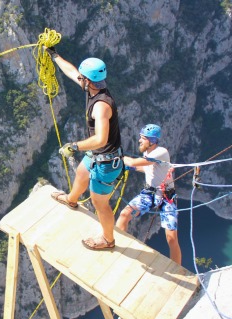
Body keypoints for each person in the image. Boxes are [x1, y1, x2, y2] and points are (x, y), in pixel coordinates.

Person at [46, 48, 123, 250]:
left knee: (100, 203)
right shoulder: (93, 88)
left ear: (88, 80)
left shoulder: (101, 106)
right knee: (81, 172)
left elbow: (100, 138)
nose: (79, 79)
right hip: (99, 156)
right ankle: (71, 200)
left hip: (107, 163)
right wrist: (55, 55)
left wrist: (74, 146)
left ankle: (108, 240)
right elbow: (71, 72)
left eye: (83, 77)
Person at [116, 124, 181, 264]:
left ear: (152, 141)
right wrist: (130, 167)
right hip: (150, 193)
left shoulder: (161, 152)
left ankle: (178, 269)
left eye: (143, 138)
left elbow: (133, 161)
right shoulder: (149, 153)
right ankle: (118, 247)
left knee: (171, 237)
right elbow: (149, 169)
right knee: (124, 214)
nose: (139, 140)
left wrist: (117, 155)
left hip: (166, 197)